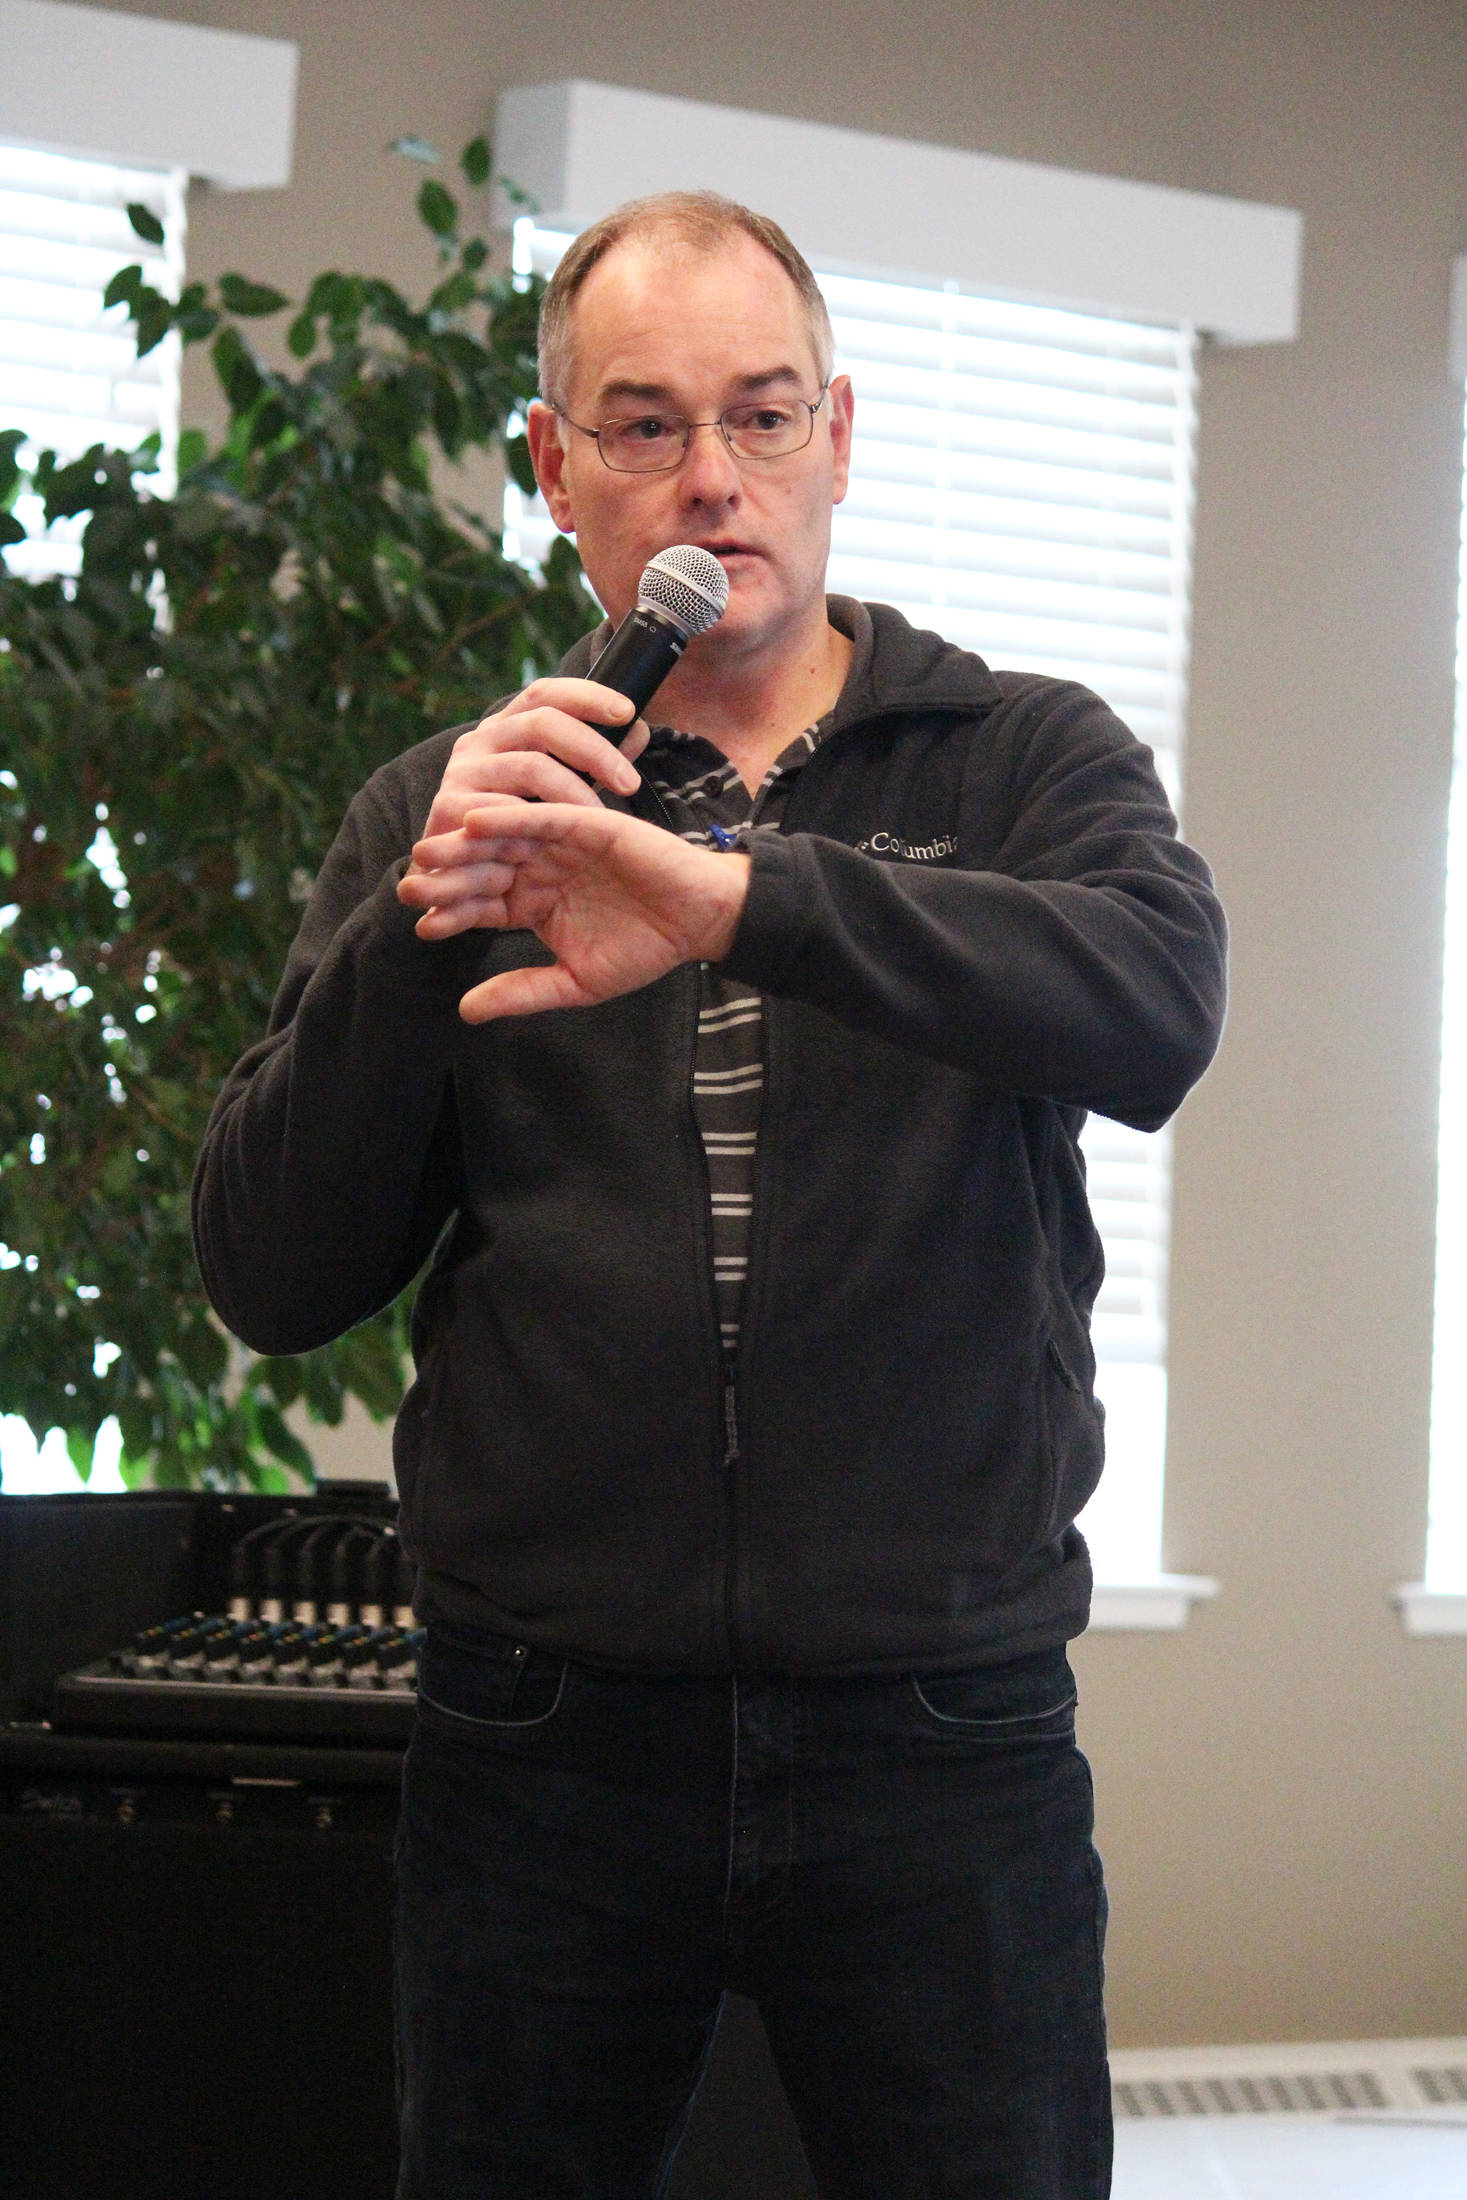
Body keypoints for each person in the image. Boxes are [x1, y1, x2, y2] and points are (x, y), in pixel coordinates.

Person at [193, 190, 1227, 2199]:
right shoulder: (446, 803)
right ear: (553, 466)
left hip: (940, 1721)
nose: (712, 478)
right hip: (544, 1735)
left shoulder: (1021, 758)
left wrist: (739, 900)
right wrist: (419, 935)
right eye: (646, 424)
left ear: (839, 436)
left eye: (761, 417)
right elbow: (273, 1268)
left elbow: (1153, 1007)